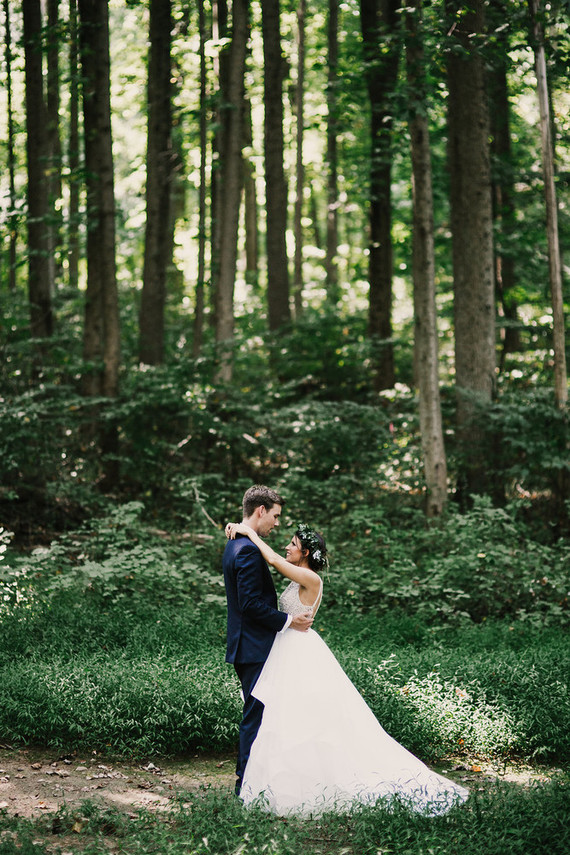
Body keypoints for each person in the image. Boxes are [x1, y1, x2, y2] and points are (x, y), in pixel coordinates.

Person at [225, 520, 469, 817]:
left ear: (305, 553)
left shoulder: (310, 578)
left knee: (303, 716)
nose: (286, 547)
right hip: (284, 647)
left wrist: (250, 532)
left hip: (299, 651)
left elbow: (273, 560)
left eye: (293, 544)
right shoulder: (299, 576)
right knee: (283, 716)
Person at [222, 486, 313, 796]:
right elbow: (249, 604)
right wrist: (289, 621)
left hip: (248, 645)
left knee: (260, 714)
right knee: (256, 716)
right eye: (275, 516)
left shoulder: (235, 542)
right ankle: (244, 786)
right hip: (254, 647)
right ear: (260, 510)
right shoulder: (247, 548)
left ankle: (259, 781)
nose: (277, 523)